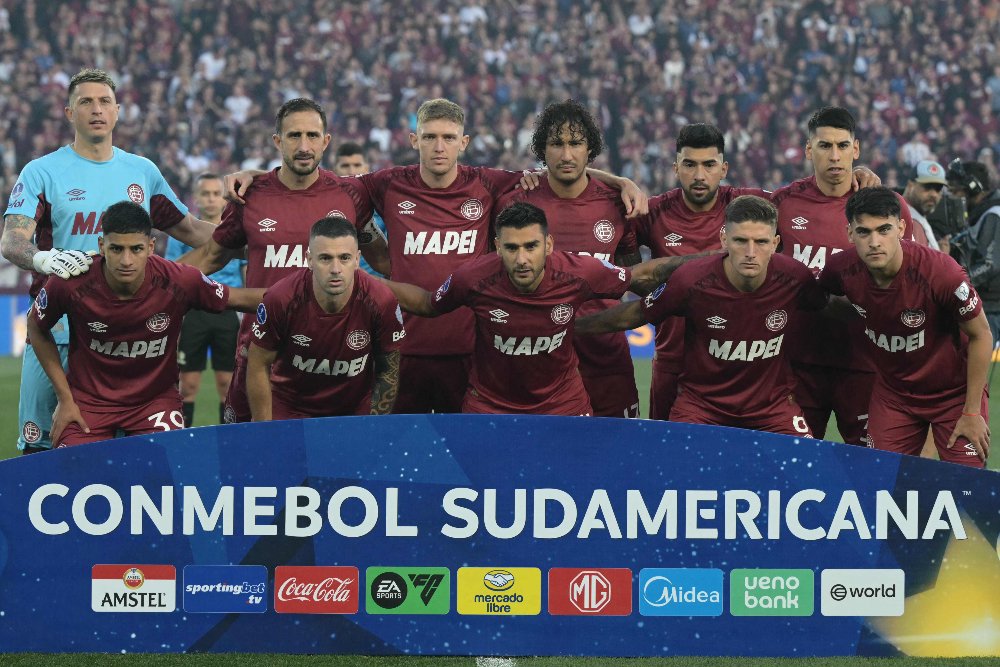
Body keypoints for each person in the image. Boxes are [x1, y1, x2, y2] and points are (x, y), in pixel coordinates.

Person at [226, 98, 646, 415]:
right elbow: (314, 176)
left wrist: (620, 179)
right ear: (414, 140)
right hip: (401, 348)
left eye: (448, 138)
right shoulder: (386, 184)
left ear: (463, 142)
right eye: (429, 137)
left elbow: (563, 169)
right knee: (396, 459)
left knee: (460, 463)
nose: (439, 147)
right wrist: (258, 178)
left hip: (469, 352)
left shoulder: (490, 183)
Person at [1, 68, 217, 453]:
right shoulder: (42, 171)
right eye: (85, 102)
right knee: (40, 449)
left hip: (124, 333)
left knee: (131, 454)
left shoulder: (142, 172)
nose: (96, 109)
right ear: (69, 113)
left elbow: (192, 230)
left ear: (118, 111)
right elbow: (13, 241)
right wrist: (45, 259)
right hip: (58, 330)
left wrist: (258, 230)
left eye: (105, 102)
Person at [177, 98, 388, 424]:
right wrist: (152, 283)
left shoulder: (351, 195)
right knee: (254, 464)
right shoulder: (251, 195)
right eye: (293, 136)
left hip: (332, 357)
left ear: (326, 141)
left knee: (331, 464)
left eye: (312, 136)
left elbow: (386, 261)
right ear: (277, 141)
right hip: (262, 354)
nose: (304, 146)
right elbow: (211, 256)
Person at [382, 202, 679, 415]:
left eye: (531, 246)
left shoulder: (579, 272)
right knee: (486, 495)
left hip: (562, 405)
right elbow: (427, 303)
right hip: (490, 406)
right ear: (498, 247)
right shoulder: (472, 278)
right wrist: (363, 280)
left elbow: (642, 277)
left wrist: (716, 260)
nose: (522, 259)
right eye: (512, 248)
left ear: (548, 244)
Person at [577, 196, 825, 435]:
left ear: (775, 243)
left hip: (772, 408)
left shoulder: (795, 277)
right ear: (724, 239)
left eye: (760, 242)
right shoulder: (691, 280)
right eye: (740, 241)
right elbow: (637, 313)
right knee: (677, 471)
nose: (750, 252)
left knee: (806, 474)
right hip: (702, 407)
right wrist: (571, 327)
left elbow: (826, 307)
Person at [24, 201, 264, 447]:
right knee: (75, 476)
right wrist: (65, 399)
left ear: (151, 247)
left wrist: (297, 293)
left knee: (165, 475)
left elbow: (239, 298)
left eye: (136, 249)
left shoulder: (179, 280)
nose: (126, 260)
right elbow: (35, 326)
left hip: (155, 403)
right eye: (116, 249)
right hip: (89, 403)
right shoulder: (70, 282)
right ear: (101, 246)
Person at [818, 187, 991, 467]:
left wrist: (972, 412)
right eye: (864, 232)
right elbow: (822, 301)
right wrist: (865, 313)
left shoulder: (941, 272)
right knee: (882, 483)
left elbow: (981, 334)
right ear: (850, 233)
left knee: (968, 492)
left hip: (954, 394)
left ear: (900, 228)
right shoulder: (840, 269)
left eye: (883, 229)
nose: (874, 241)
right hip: (894, 395)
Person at [773, 106, 913, 444]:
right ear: (809, 150)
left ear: (856, 149)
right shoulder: (783, 204)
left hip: (866, 364)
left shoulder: (884, 205)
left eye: (842, 145)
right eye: (824, 146)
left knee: (872, 470)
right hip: (798, 365)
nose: (834, 156)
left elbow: (907, 280)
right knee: (795, 468)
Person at [496, 99, 641, 418]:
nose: (566, 154)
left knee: (616, 457)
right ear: (541, 150)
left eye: (575, 143)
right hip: (539, 364)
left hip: (606, 358)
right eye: (556, 144)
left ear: (590, 149)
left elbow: (631, 275)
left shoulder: (617, 204)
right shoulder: (519, 201)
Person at [632, 123, 769, 420]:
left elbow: (804, 200)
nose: (699, 175)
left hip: (736, 364)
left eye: (709, 165)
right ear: (675, 168)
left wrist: (856, 177)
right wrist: (619, 181)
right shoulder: (655, 212)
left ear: (724, 168)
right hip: (672, 361)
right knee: (667, 458)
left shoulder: (746, 203)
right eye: (689, 165)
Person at [246, 216, 404, 420]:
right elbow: (258, 363)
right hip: (291, 408)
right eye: (325, 258)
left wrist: (372, 424)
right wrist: (263, 428)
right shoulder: (281, 299)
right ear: (310, 260)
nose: (336, 269)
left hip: (354, 410)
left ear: (357, 260)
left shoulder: (381, 301)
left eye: (344, 258)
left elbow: (388, 370)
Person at [165, 173, 246, 426]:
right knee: (188, 383)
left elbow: (247, 272)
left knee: (226, 383)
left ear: (223, 199)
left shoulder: (237, 233)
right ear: (196, 199)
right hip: (193, 311)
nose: (211, 199)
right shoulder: (180, 236)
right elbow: (172, 272)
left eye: (215, 193)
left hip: (229, 309)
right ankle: (184, 440)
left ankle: (226, 442)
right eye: (205, 194)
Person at [948, 160, 1000, 342]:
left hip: (993, 310)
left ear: (973, 188)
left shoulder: (994, 214)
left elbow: (989, 264)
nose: (952, 196)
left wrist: (957, 285)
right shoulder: (982, 214)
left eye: (956, 191)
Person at [332, 142, 387, 278]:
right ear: (334, 170)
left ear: (367, 168)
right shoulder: (326, 207)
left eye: (357, 165)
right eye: (345, 166)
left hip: (377, 287)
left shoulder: (383, 206)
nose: (351, 171)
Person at [901, 160, 947, 251]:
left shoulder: (916, 214)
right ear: (910, 186)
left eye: (938, 189)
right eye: (927, 187)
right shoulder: (908, 220)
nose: (934, 194)